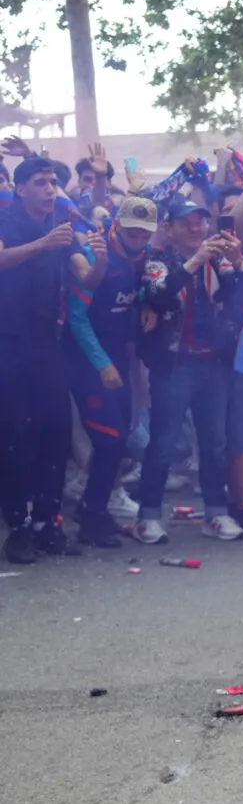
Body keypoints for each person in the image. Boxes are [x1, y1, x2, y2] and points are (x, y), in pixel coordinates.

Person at [133, 197, 243, 544]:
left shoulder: (219, 259)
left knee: (214, 443)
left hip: (213, 362)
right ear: (168, 229)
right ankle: (149, 517)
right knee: (163, 443)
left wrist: (241, 263)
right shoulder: (158, 258)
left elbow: (242, 301)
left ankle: (216, 513)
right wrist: (193, 262)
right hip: (174, 365)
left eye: (200, 221)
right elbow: (156, 294)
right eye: (186, 222)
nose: (195, 227)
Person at [0, 156, 83, 563]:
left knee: (55, 432)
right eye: (40, 182)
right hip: (9, 345)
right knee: (14, 436)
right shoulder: (6, 221)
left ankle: (47, 523)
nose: (50, 188)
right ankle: (17, 525)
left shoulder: (61, 225)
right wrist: (41, 247)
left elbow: (86, 275)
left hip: (49, 344)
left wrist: (96, 257)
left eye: (52, 181)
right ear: (19, 189)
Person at [65, 197, 160, 548]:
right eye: (132, 234)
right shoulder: (95, 255)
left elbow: (133, 294)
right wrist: (101, 363)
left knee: (121, 439)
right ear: (117, 226)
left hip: (119, 356)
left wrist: (145, 305)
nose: (138, 241)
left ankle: (94, 509)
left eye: (144, 235)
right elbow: (76, 316)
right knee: (110, 439)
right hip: (85, 360)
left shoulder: (145, 257)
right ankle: (91, 516)